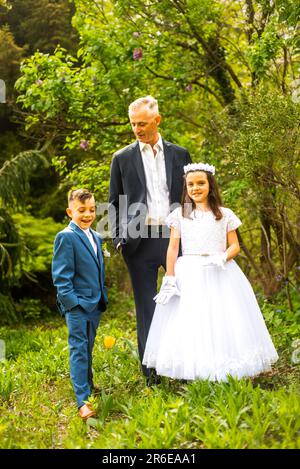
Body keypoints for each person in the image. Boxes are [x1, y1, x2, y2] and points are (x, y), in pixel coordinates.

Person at [143, 163, 279, 381]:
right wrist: (169, 275)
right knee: (192, 319)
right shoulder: (181, 214)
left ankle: (224, 369)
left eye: (200, 183)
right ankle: (196, 370)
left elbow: (234, 245)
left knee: (223, 318)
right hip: (189, 272)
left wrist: (222, 256)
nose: (195, 188)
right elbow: (173, 247)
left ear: (210, 185)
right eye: (190, 184)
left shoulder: (224, 214)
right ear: (186, 187)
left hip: (219, 271)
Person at [109, 96, 191, 384]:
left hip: (174, 238)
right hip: (139, 242)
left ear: (157, 120)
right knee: (146, 308)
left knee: (181, 303)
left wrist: (190, 233)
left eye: (142, 123)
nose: (137, 129)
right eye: (133, 124)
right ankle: (151, 374)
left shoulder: (180, 154)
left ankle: (182, 366)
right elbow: (114, 203)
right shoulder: (121, 158)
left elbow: (188, 196)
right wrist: (119, 238)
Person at [52, 189, 108, 419]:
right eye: (81, 210)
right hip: (77, 306)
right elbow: (61, 277)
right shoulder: (66, 236)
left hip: (94, 304)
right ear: (70, 211)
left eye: (92, 210)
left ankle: (88, 385)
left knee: (88, 347)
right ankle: (83, 401)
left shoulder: (95, 236)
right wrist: (72, 304)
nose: (87, 214)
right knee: (78, 349)